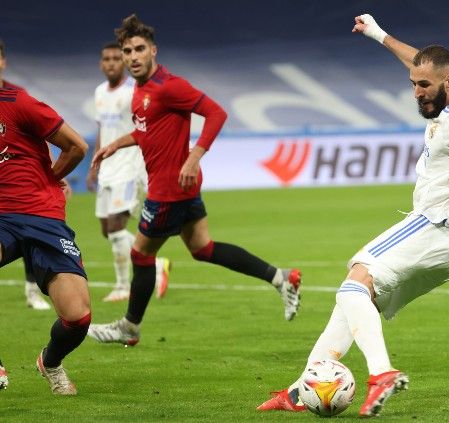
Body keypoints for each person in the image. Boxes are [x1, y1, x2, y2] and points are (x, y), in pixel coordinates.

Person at [257, 14, 449, 417]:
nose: (418, 92)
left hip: (436, 226)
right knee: (356, 301)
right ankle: (300, 391)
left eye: (425, 86)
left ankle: (382, 373)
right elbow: (418, 62)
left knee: (353, 281)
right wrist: (378, 34)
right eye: (414, 85)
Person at [87, 15, 302, 347]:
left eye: (139, 49)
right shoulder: (141, 89)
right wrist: (115, 144)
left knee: (140, 255)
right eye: (127, 50)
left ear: (153, 50)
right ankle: (281, 278)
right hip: (181, 185)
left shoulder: (170, 86)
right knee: (203, 248)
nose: (132, 56)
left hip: (170, 188)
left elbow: (217, 113)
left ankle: (129, 327)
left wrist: (194, 155)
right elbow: (148, 131)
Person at [0, 86, 92, 395]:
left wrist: (49, 180)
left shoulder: (19, 102)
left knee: (78, 316)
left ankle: (50, 362)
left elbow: (77, 146)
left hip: (43, 215)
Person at [86, 41, 170, 302]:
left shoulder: (134, 91)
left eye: (115, 58)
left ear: (122, 62)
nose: (111, 62)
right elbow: (102, 128)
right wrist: (95, 162)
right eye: (106, 59)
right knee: (106, 230)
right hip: (108, 166)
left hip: (130, 166)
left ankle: (123, 286)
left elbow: (146, 126)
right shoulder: (100, 92)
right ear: (101, 64)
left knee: (115, 228)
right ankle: (156, 263)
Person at [0, 37, 57, 310]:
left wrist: (48, 170)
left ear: (2, 61)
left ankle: (32, 290)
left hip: (16, 190)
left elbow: (39, 138)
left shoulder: (17, 98)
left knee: (23, 229)